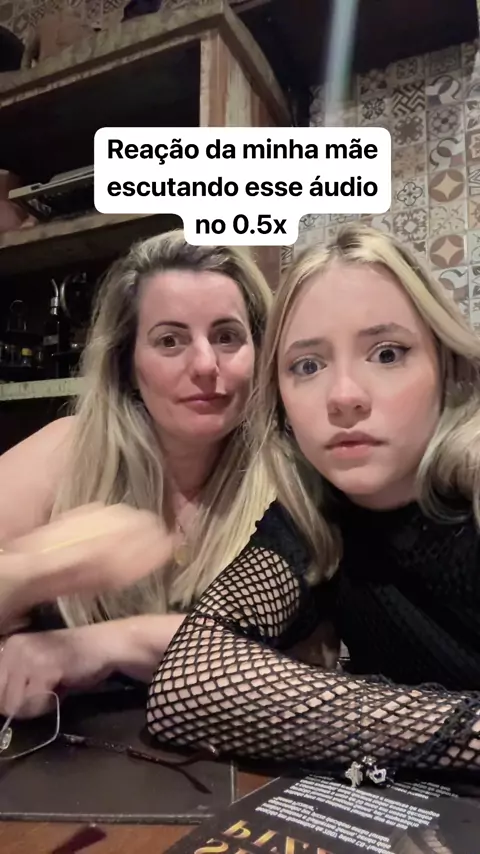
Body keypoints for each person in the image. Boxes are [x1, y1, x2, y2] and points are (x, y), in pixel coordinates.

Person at [147, 223, 480, 785]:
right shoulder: (316, 515)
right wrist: (465, 731)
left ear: (447, 370)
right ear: (281, 403)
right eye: (307, 365)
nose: (344, 397)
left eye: (387, 353)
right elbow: (186, 684)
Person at [0, 229, 274, 718]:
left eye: (227, 336)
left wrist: (109, 642)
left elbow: (288, 658)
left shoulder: (287, 478)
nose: (205, 364)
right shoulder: (68, 449)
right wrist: (32, 571)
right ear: (127, 363)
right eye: (170, 340)